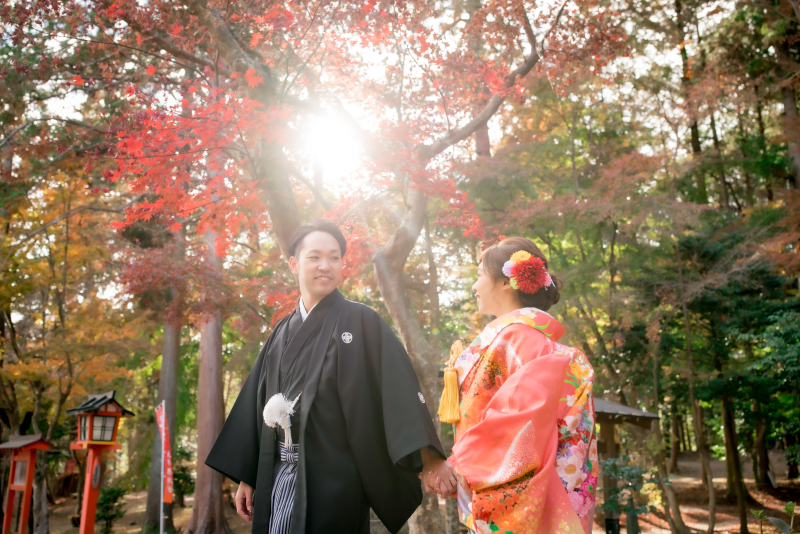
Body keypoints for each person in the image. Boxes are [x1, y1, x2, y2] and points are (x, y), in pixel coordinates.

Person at [206, 219, 456, 534]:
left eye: (334, 257)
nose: (326, 265)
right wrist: (248, 476)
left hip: (336, 479)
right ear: (294, 264)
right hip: (278, 473)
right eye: (315, 257)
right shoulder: (280, 332)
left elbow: (398, 391)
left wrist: (430, 458)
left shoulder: (362, 321)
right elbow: (256, 404)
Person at [443, 237, 598, 534]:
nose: (475, 286)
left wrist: (462, 462)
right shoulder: (540, 344)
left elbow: (520, 420)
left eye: (478, 276)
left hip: (526, 492)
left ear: (504, 282)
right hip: (554, 485)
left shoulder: (515, 340)